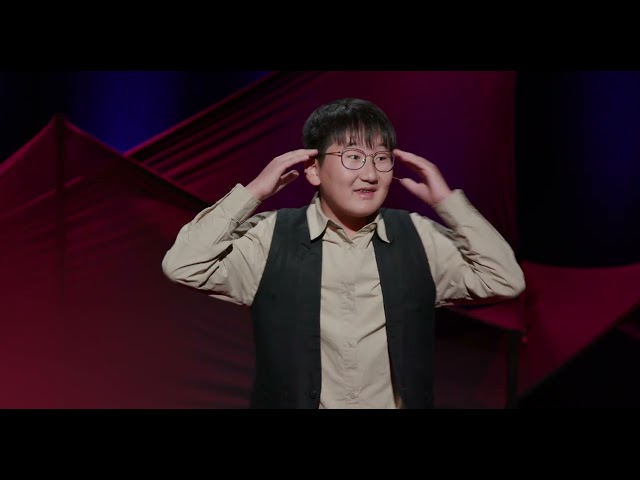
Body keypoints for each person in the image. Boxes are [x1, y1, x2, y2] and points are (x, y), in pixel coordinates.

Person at [162, 97, 526, 409]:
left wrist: (449, 203)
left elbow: (504, 280)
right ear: (314, 169)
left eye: (381, 158)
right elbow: (184, 265)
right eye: (353, 156)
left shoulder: (418, 235)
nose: (370, 174)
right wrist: (254, 192)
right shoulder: (271, 236)